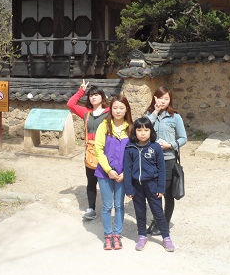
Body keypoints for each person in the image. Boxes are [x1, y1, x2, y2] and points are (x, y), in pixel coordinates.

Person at [124, 117, 175, 252]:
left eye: (146, 130)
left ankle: (166, 238)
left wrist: (161, 187)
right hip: (136, 186)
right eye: (139, 130)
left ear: (151, 131)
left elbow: (161, 169)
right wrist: (128, 188)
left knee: (158, 212)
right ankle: (142, 236)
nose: (143, 133)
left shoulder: (155, 147)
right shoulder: (130, 147)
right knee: (140, 212)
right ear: (134, 132)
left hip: (152, 185)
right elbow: (127, 169)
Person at [145, 86, 187, 236]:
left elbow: (183, 138)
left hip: (168, 160)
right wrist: (155, 113)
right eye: (160, 98)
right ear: (155, 98)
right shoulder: (149, 115)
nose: (163, 101)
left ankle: (164, 223)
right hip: (151, 160)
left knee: (167, 194)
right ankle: (157, 220)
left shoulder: (175, 117)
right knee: (153, 192)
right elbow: (142, 129)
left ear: (170, 100)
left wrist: (170, 145)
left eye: (166, 98)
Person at [94, 94, 132, 250]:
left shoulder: (130, 128)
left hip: (122, 174)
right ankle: (108, 235)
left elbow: (133, 153)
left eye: (121, 108)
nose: (118, 111)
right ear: (111, 109)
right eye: (115, 107)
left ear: (126, 109)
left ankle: (117, 235)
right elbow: (98, 150)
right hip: (104, 173)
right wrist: (108, 170)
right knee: (107, 206)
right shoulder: (104, 126)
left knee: (119, 205)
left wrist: (126, 173)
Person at [67, 80, 110, 220]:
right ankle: (91, 209)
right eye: (91, 95)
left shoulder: (110, 112)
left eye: (96, 94)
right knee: (91, 181)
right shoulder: (86, 112)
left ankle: (108, 208)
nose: (93, 97)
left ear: (102, 96)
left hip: (105, 151)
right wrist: (81, 91)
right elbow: (70, 104)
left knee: (106, 180)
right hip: (90, 151)